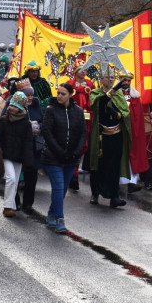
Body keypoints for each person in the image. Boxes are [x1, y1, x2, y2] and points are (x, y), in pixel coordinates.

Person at [42, 82, 87, 234]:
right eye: (58, 93)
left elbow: (82, 134)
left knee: (61, 190)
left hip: (71, 158)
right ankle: (60, 219)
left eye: (63, 94)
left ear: (70, 94)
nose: (59, 96)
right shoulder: (51, 110)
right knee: (58, 186)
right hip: (53, 157)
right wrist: (60, 151)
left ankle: (51, 214)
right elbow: (47, 133)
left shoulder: (78, 112)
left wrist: (77, 152)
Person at [87, 70, 133, 208]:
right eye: (108, 77)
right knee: (97, 165)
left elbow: (125, 113)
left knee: (114, 166)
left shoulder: (118, 95)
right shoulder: (95, 93)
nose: (111, 79)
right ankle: (95, 193)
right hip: (101, 136)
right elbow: (100, 104)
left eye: (113, 77)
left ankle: (114, 196)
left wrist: (118, 114)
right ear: (101, 80)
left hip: (116, 135)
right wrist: (115, 88)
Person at [0, 90, 35, 218]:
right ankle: (7, 206)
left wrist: (29, 160)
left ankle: (11, 204)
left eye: (15, 106)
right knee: (11, 179)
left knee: (15, 181)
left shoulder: (25, 123)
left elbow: (28, 143)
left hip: (18, 156)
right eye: (11, 105)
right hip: (6, 155)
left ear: (20, 108)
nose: (12, 108)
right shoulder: (4, 120)